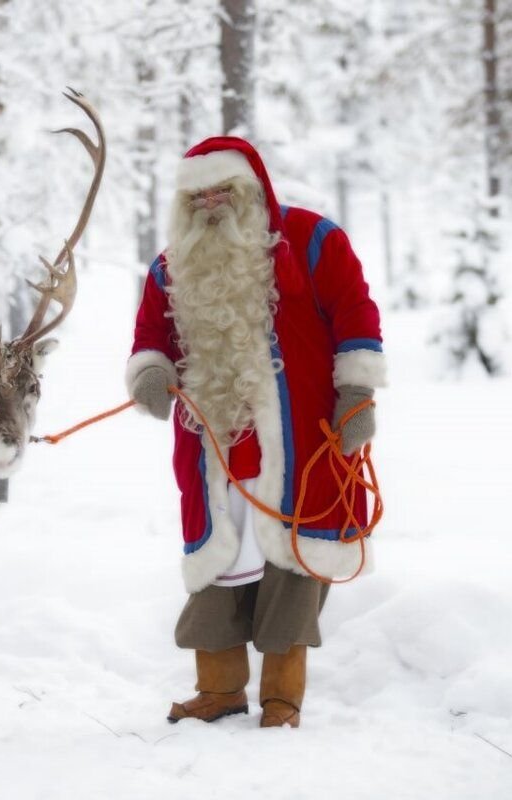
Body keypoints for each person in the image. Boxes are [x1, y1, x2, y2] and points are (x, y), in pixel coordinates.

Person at [125, 137, 386, 728]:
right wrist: (150, 372)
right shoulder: (171, 265)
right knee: (215, 569)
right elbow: (151, 337)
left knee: (292, 563)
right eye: (198, 196)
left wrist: (357, 392)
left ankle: (281, 699)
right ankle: (218, 691)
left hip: (303, 439)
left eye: (225, 190)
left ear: (254, 190)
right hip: (212, 448)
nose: (212, 204)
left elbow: (355, 311)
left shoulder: (313, 239)